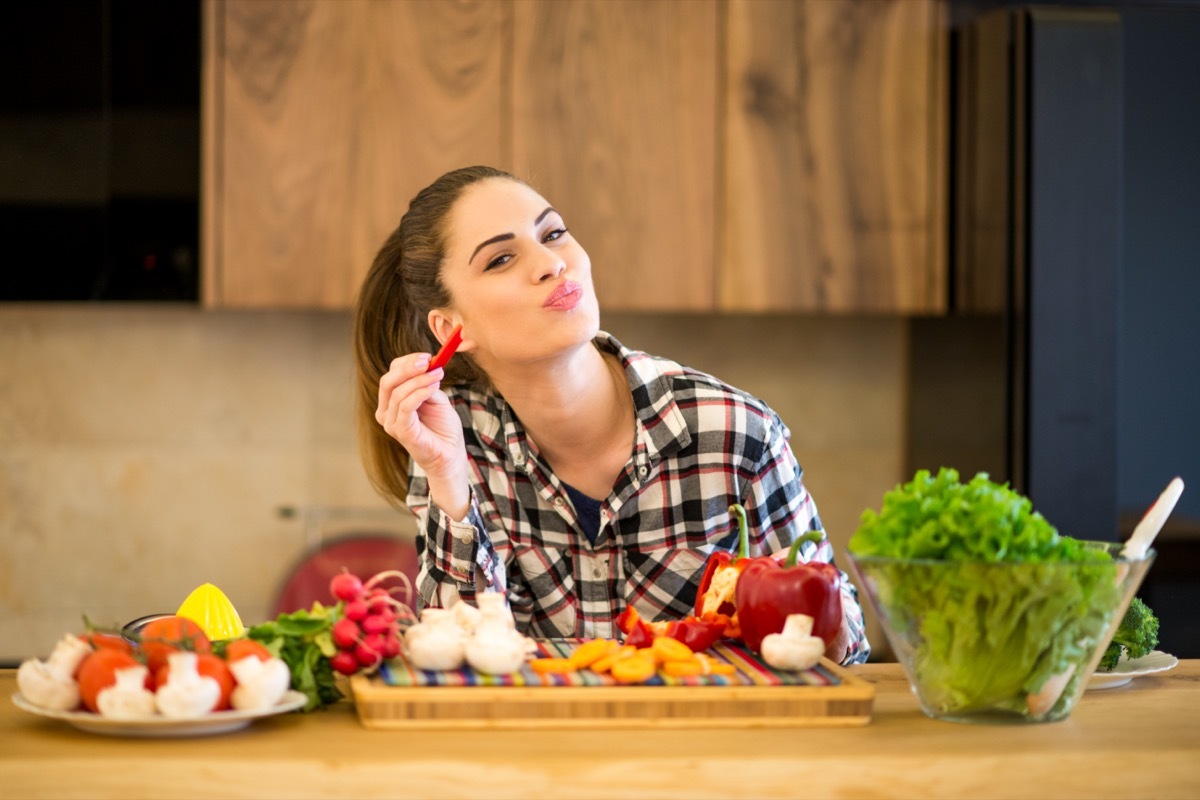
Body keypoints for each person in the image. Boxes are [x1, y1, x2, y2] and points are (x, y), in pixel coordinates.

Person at [353, 165, 870, 665]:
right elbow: (457, 661)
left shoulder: (734, 433)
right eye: (501, 260)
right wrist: (447, 477)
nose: (551, 263)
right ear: (450, 330)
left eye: (553, 233)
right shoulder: (455, 444)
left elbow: (839, 649)